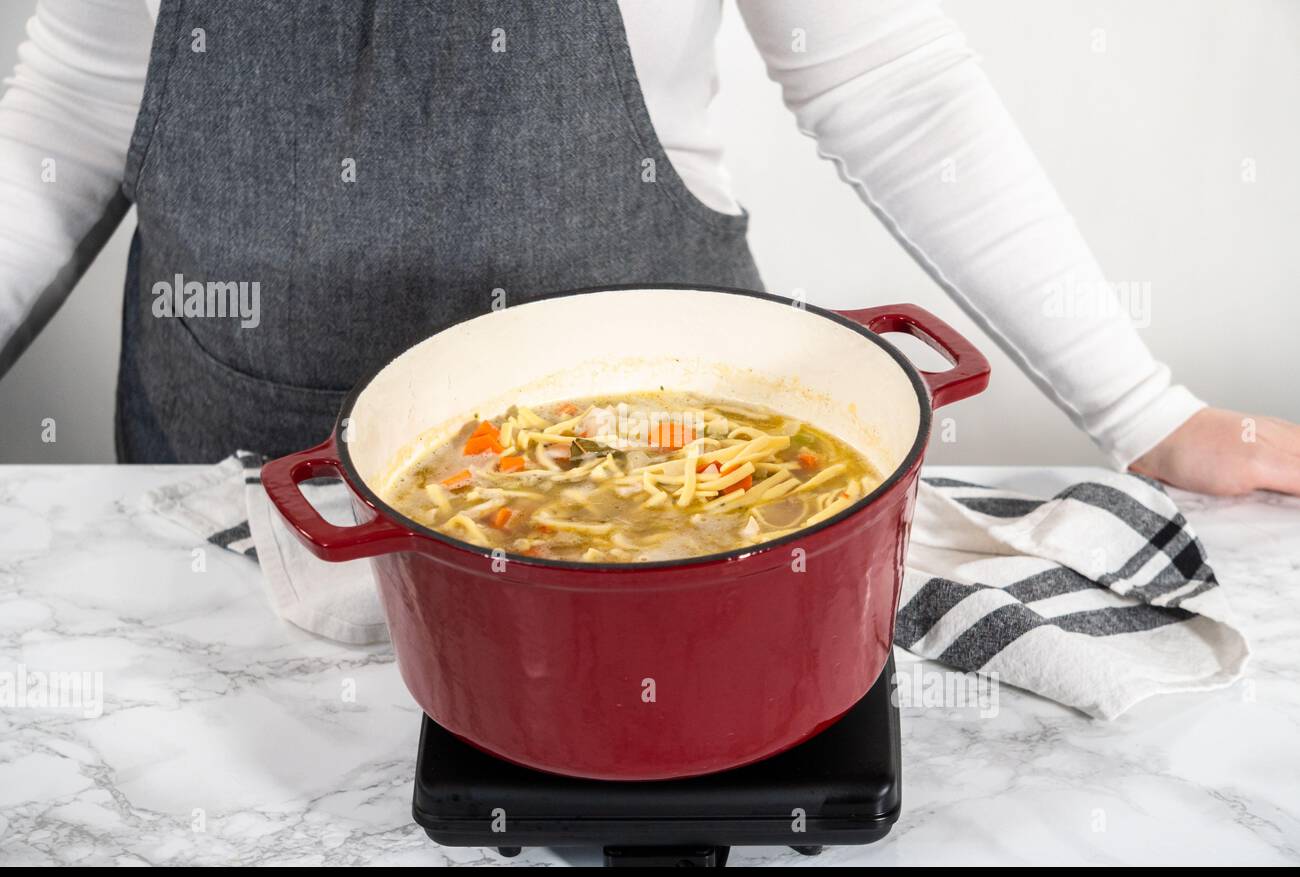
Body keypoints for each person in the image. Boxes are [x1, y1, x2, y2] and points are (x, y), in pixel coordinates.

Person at [0, 0, 1296, 493]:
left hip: (647, 514)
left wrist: (1145, 412)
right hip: (221, 507)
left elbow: (887, 82)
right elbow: (65, 128)